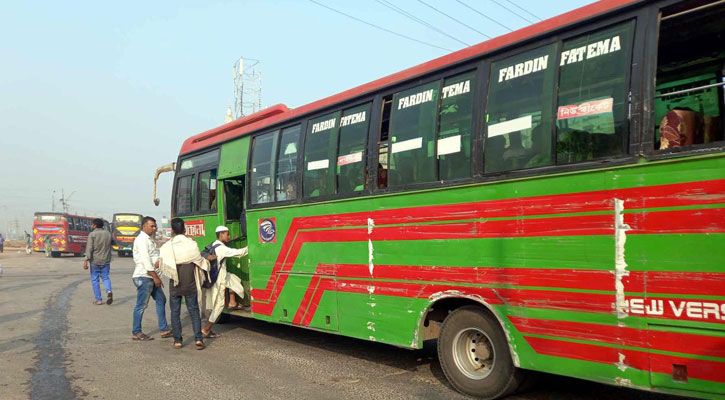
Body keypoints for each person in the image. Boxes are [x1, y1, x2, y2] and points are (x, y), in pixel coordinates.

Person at [158, 218, 209, 350]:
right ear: (185, 229)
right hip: (190, 281)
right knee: (194, 310)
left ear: (172, 231)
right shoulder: (191, 244)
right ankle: (198, 339)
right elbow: (199, 260)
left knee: (175, 312)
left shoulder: (167, 246)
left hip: (175, 282)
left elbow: (161, 263)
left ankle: (178, 341)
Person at [201, 226, 249, 338]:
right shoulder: (222, 249)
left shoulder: (213, 244)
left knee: (234, 278)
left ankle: (232, 302)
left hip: (216, 278)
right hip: (219, 280)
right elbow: (240, 253)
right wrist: (253, 243)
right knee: (219, 305)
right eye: (227, 234)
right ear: (221, 234)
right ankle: (206, 329)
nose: (229, 236)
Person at [131, 216, 172, 341]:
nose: (154, 229)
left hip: (151, 276)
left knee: (161, 300)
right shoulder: (142, 240)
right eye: (151, 226)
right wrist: (156, 278)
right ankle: (136, 331)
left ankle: (164, 329)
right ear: (144, 226)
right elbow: (146, 261)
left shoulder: (149, 239)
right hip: (145, 276)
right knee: (141, 305)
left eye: (155, 226)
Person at [83, 219, 113, 305]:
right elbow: (113, 243)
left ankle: (99, 300)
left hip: (95, 261)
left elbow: (89, 249)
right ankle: (109, 290)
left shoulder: (92, 234)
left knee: (95, 280)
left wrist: (86, 260)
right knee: (105, 277)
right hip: (106, 260)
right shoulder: (108, 234)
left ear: (95, 225)